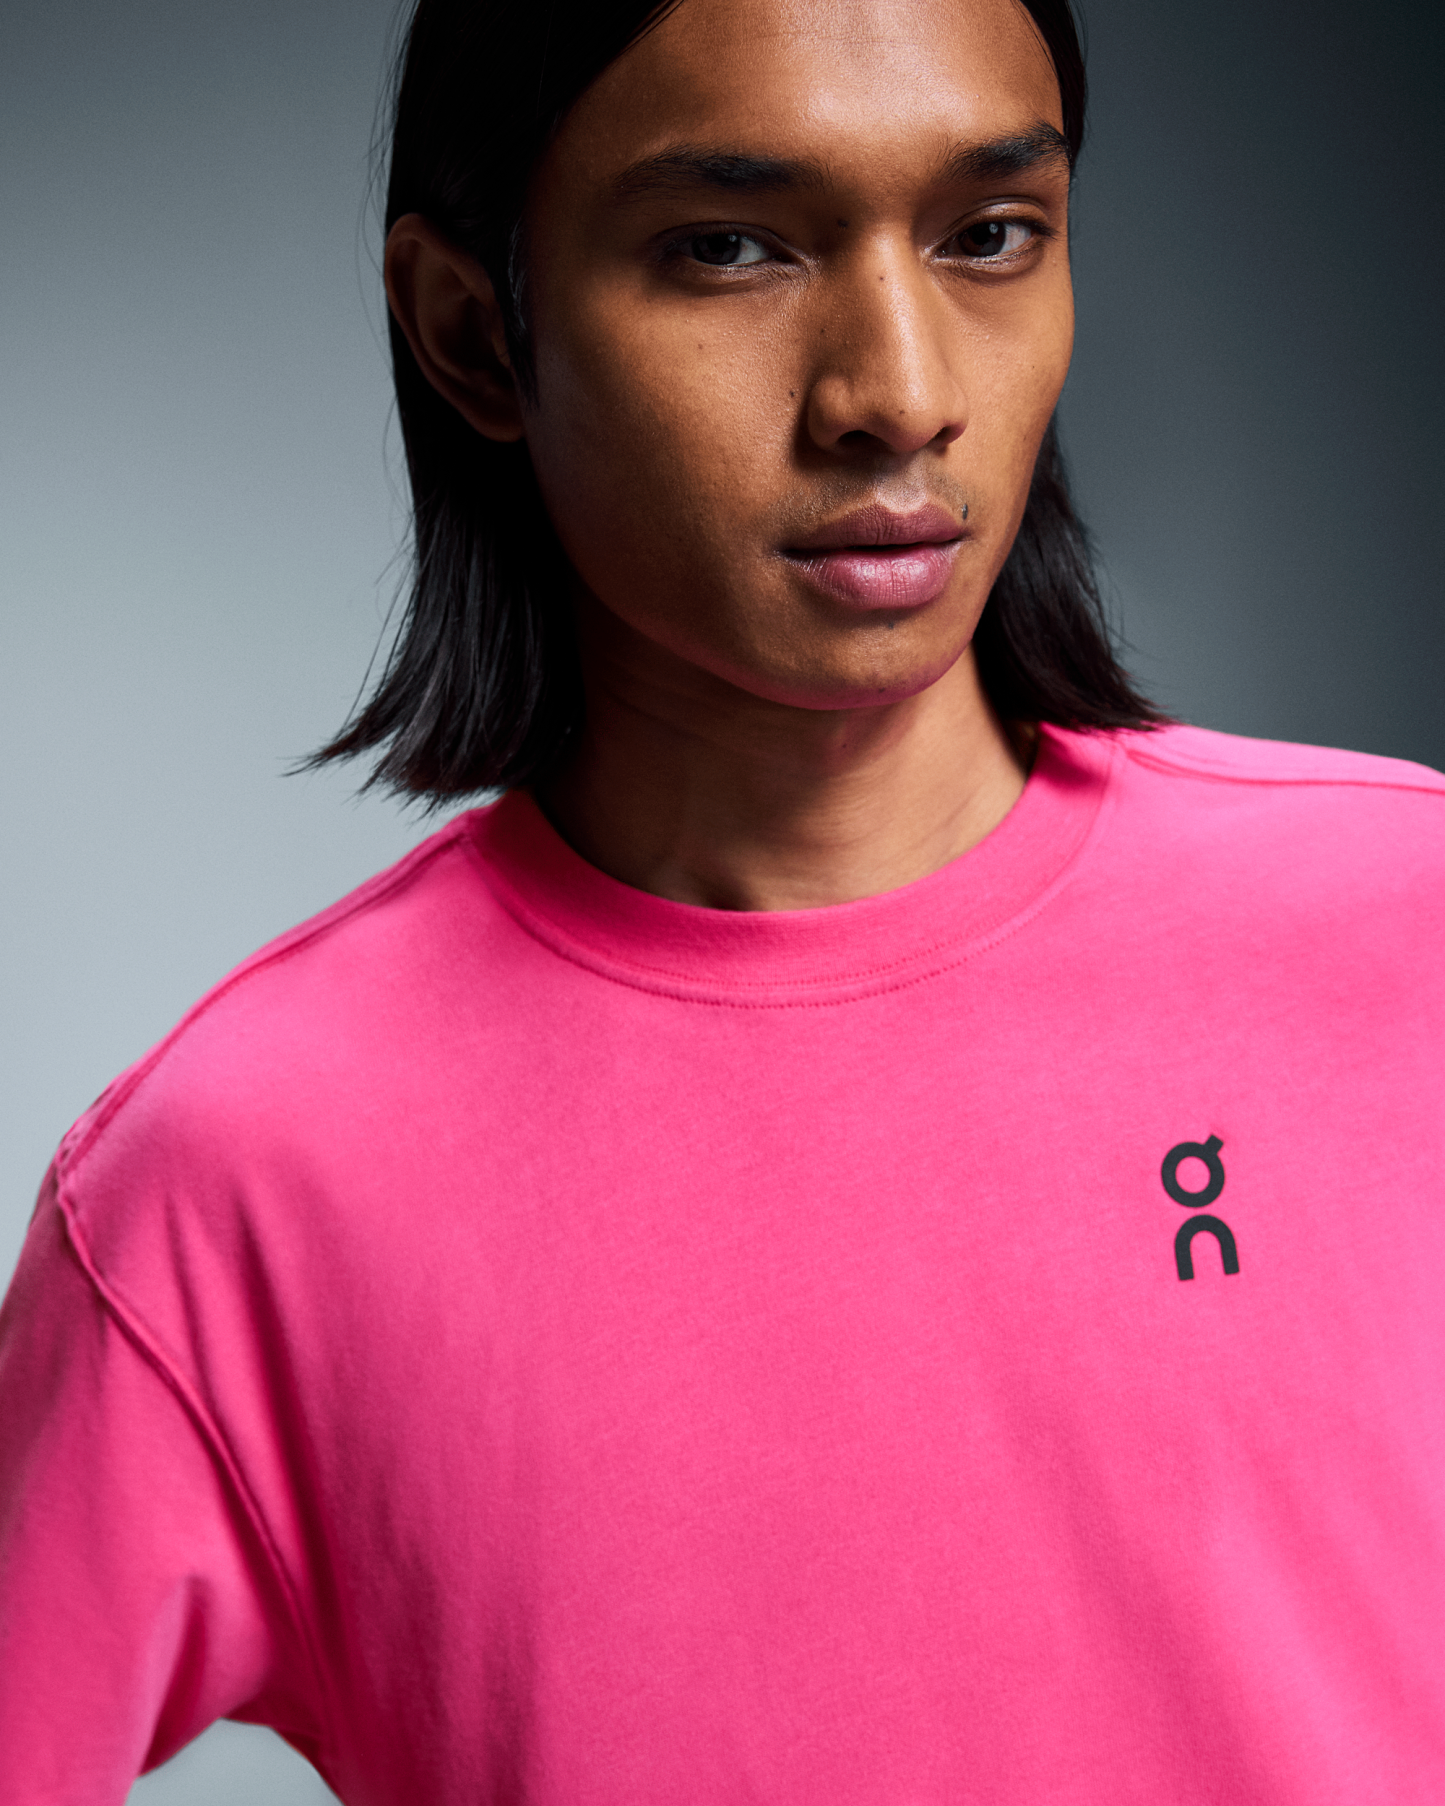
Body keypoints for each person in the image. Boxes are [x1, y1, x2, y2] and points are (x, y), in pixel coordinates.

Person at [2, 0, 1442, 1798]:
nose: (900, 390)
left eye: (992, 233)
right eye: (730, 249)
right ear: (473, 333)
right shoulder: (238, 1182)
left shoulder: (1411, 936)